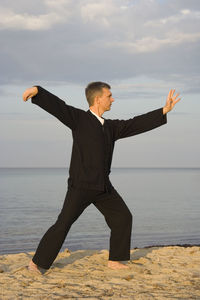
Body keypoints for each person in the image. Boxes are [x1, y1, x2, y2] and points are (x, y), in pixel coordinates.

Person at [23, 82, 180, 272]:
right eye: (109, 96)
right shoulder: (79, 119)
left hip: (103, 187)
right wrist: (37, 91)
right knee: (63, 224)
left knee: (123, 217)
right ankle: (37, 263)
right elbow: (59, 107)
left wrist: (164, 110)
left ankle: (115, 260)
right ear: (98, 99)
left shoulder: (110, 127)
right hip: (80, 186)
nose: (112, 99)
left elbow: (134, 124)